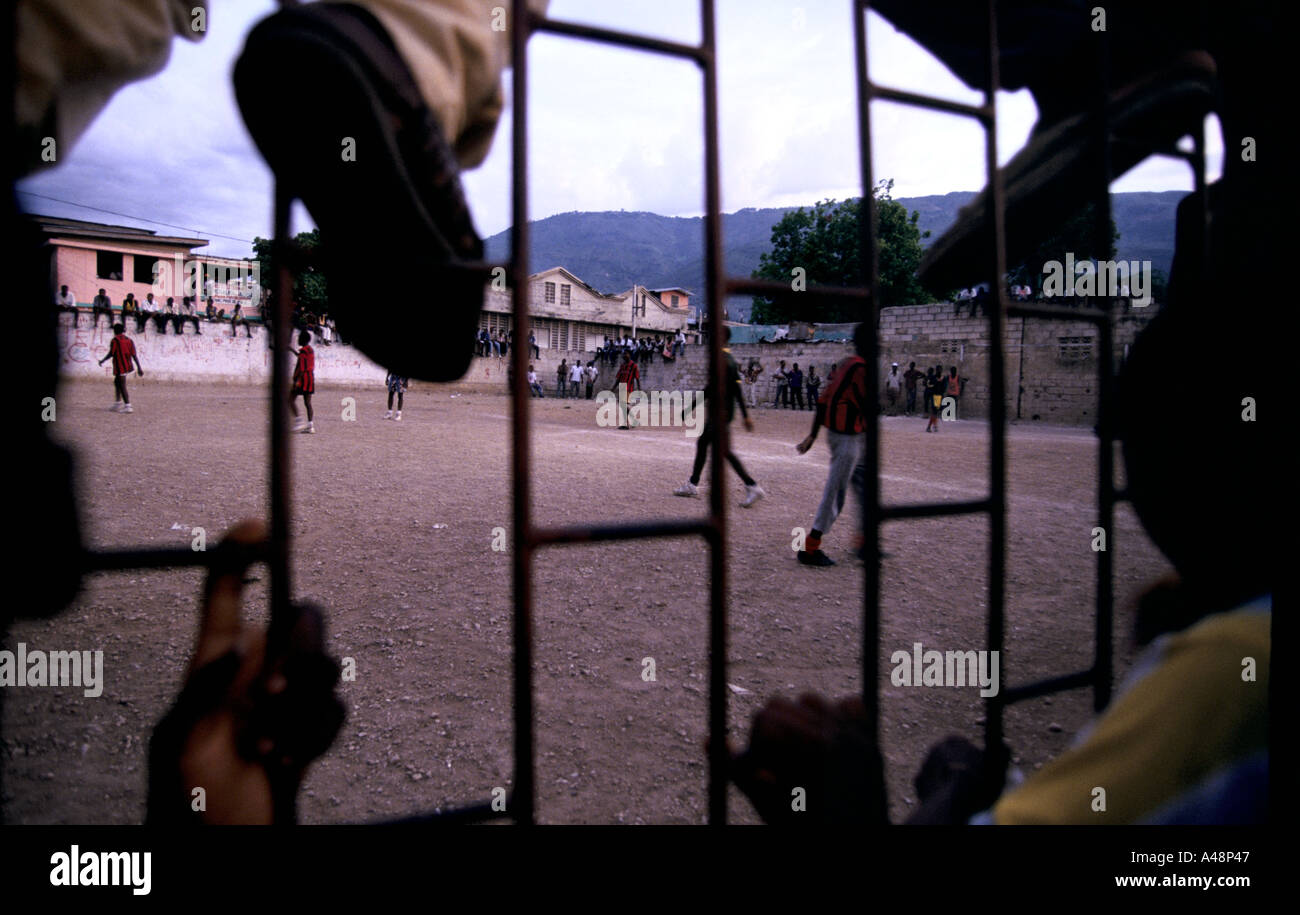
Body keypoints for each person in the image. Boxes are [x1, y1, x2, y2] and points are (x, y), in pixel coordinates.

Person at [794, 323, 871, 567]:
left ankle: (864, 542)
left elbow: (823, 401)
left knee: (863, 485)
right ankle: (810, 547)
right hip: (847, 436)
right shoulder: (860, 368)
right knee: (836, 492)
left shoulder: (847, 364)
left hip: (846, 435)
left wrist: (813, 436)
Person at [672, 328, 764, 508]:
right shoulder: (728, 359)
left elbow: (710, 389)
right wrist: (745, 416)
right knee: (705, 444)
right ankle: (693, 483)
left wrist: (689, 408)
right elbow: (735, 388)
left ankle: (752, 485)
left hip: (720, 414)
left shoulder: (722, 360)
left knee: (724, 451)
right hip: (722, 413)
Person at [97, 321, 143, 413]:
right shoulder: (129, 340)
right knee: (117, 382)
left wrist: (102, 360)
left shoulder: (115, 340)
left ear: (115, 331)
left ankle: (128, 405)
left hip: (120, 365)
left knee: (122, 384)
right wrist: (139, 367)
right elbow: (134, 355)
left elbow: (111, 353)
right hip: (127, 365)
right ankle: (118, 403)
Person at [289, 330, 316, 434]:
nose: (298, 340)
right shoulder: (309, 350)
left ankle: (298, 421)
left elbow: (302, 367)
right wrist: (293, 351)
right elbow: (303, 359)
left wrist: (297, 381)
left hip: (303, 378)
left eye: (299, 338)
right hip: (310, 378)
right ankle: (310, 426)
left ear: (302, 339)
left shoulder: (303, 351)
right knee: (308, 403)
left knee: (290, 399)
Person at [614, 350, 640, 429]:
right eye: (623, 354)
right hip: (622, 388)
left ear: (629, 355)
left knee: (624, 405)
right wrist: (613, 387)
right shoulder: (622, 366)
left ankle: (626, 424)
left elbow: (637, 378)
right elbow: (618, 378)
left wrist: (639, 390)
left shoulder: (633, 366)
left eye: (626, 354)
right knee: (623, 406)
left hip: (628, 388)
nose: (624, 355)